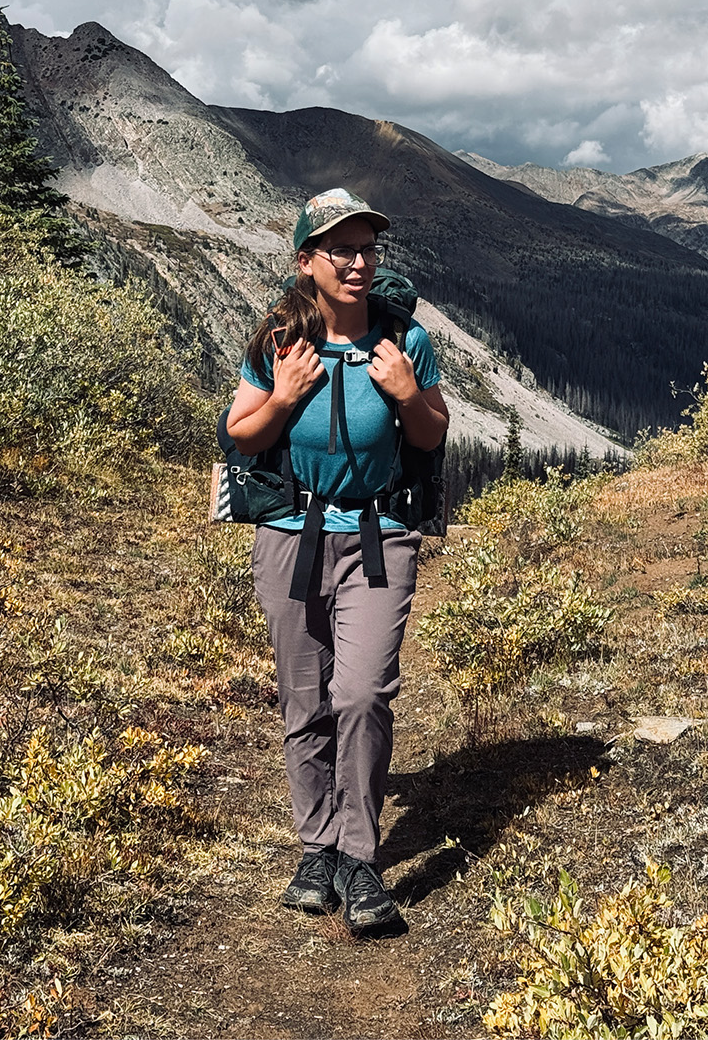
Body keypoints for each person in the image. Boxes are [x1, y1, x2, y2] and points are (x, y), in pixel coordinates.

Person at [225, 189, 449, 935]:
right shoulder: (278, 341)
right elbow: (242, 434)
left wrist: (407, 392)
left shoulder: (403, 342)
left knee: (361, 692)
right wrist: (283, 395)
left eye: (368, 250)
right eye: (341, 250)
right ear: (306, 262)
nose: (359, 263)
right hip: (290, 535)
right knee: (304, 699)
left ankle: (358, 857)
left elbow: (429, 433)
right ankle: (316, 848)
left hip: (380, 535)